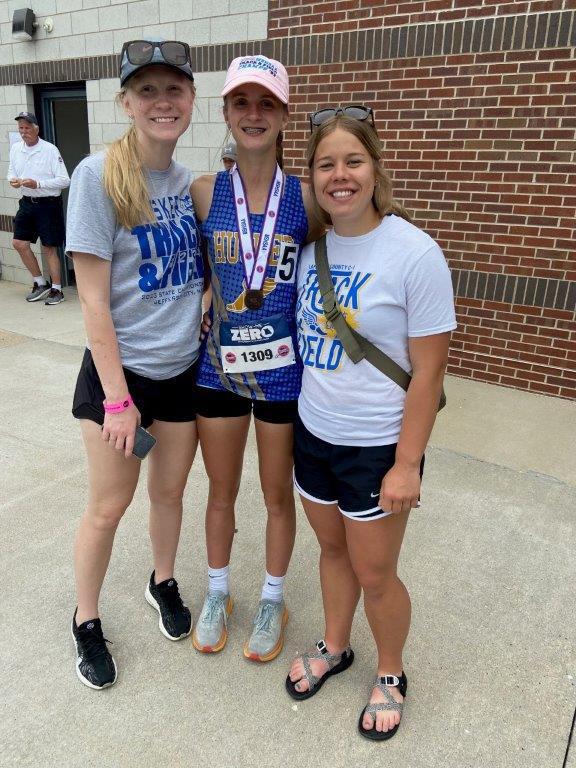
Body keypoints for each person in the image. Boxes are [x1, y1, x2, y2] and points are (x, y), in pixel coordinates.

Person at [285, 107, 456, 740]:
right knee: (332, 551)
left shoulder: (415, 253)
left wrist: (407, 463)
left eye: (353, 161)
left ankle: (390, 671)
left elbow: (429, 374)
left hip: (378, 447)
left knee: (376, 573)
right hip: (314, 434)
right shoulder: (312, 251)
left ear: (375, 168)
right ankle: (335, 646)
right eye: (326, 164)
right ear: (312, 176)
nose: (340, 175)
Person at [66, 39, 204, 690]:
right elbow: (93, 300)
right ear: (125, 102)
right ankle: (86, 619)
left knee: (169, 493)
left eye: (174, 89)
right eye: (147, 90)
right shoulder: (98, 176)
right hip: (121, 379)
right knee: (107, 506)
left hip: (182, 372)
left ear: (191, 100)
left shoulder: (186, 181)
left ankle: (162, 580)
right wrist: (119, 401)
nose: (162, 102)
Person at [191, 55, 324, 662]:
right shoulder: (203, 192)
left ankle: (273, 598)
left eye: (266, 103)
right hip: (218, 368)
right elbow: (199, 273)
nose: (253, 114)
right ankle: (218, 592)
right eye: (242, 102)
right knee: (220, 491)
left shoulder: (307, 198)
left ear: (284, 115)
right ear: (225, 112)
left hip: (282, 372)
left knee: (276, 494)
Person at [7, 111, 70, 305]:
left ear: (36, 129)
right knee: (19, 243)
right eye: (21, 128)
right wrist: (13, 181)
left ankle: (57, 289)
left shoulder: (50, 150)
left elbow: (64, 180)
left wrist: (38, 184)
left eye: (27, 128)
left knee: (49, 247)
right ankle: (40, 282)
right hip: (27, 202)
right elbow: (11, 172)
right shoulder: (16, 148)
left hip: (48, 204)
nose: (23, 132)